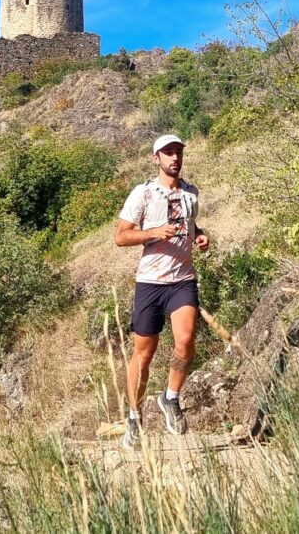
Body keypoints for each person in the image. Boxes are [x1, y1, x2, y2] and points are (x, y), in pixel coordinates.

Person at [114, 134, 209, 449]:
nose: (175, 158)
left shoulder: (190, 193)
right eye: (168, 153)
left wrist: (201, 237)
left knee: (185, 341)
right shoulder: (143, 193)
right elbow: (121, 237)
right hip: (150, 284)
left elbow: (192, 226)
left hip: (183, 280)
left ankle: (170, 397)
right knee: (144, 354)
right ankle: (133, 417)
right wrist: (154, 233)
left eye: (178, 152)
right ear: (156, 158)